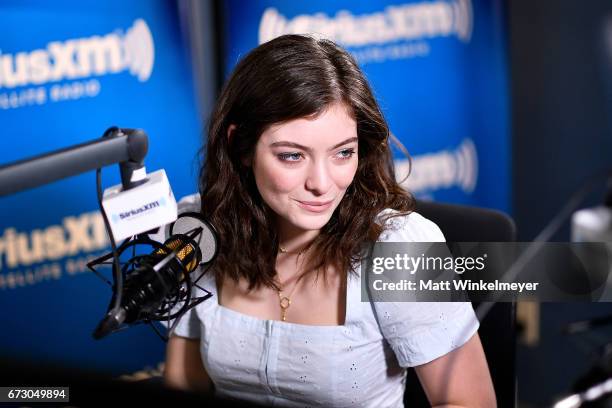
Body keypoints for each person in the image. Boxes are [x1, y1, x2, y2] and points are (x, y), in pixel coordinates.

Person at [164, 34, 496, 407]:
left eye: (343, 153)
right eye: (292, 156)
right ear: (241, 147)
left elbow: (471, 403)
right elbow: (183, 384)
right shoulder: (197, 232)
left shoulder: (401, 250)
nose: (322, 184)